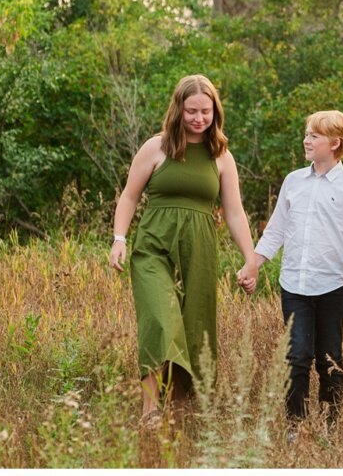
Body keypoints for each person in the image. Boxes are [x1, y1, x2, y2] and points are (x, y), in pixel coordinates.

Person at [109, 74, 259, 425]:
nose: (198, 118)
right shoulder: (156, 147)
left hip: (200, 251)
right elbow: (129, 197)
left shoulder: (221, 157)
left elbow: (234, 213)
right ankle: (150, 409)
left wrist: (250, 258)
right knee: (159, 322)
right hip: (153, 248)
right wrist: (119, 238)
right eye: (191, 111)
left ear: (215, 112)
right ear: (179, 109)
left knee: (194, 327)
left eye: (205, 111)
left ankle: (180, 407)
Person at [235, 111, 343, 424]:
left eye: (314, 136)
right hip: (294, 284)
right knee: (297, 357)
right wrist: (252, 265)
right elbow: (276, 230)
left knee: (329, 358)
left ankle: (330, 427)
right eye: (306, 134)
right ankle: (296, 429)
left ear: (335, 143)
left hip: (333, 286)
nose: (306, 140)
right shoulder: (293, 181)